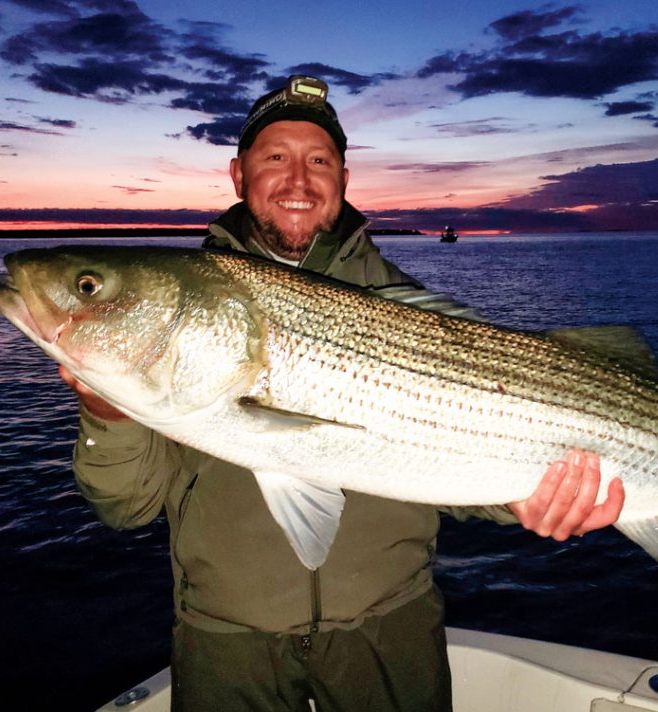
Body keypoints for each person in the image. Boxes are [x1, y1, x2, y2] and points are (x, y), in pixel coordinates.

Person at [61, 75, 625, 712]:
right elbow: (126, 507)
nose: (298, 180)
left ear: (344, 180)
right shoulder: (182, 316)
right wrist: (107, 411)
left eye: (319, 160)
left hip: (391, 632)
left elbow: (470, 451)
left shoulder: (407, 305)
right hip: (225, 643)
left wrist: (531, 500)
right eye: (275, 157)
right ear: (238, 174)